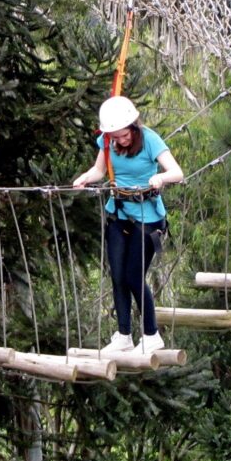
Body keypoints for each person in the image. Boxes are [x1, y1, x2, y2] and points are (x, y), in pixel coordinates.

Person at [73, 95, 183, 353]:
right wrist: (85, 179)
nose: (121, 141)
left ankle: (151, 334)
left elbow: (177, 172)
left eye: (124, 136)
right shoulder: (107, 141)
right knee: (118, 276)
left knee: (134, 275)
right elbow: (99, 171)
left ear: (134, 126)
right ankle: (123, 335)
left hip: (147, 219)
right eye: (116, 137)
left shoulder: (150, 139)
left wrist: (160, 178)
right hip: (118, 214)